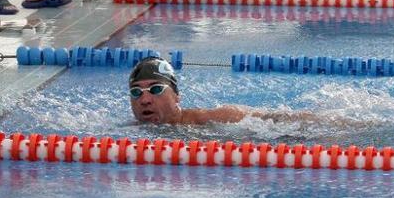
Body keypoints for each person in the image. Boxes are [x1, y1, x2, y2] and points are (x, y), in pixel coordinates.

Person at [128, 57, 320, 125]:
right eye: (136, 92)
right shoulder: (130, 132)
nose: (145, 99)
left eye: (155, 89)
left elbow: (277, 118)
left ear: (177, 96)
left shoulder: (213, 118)